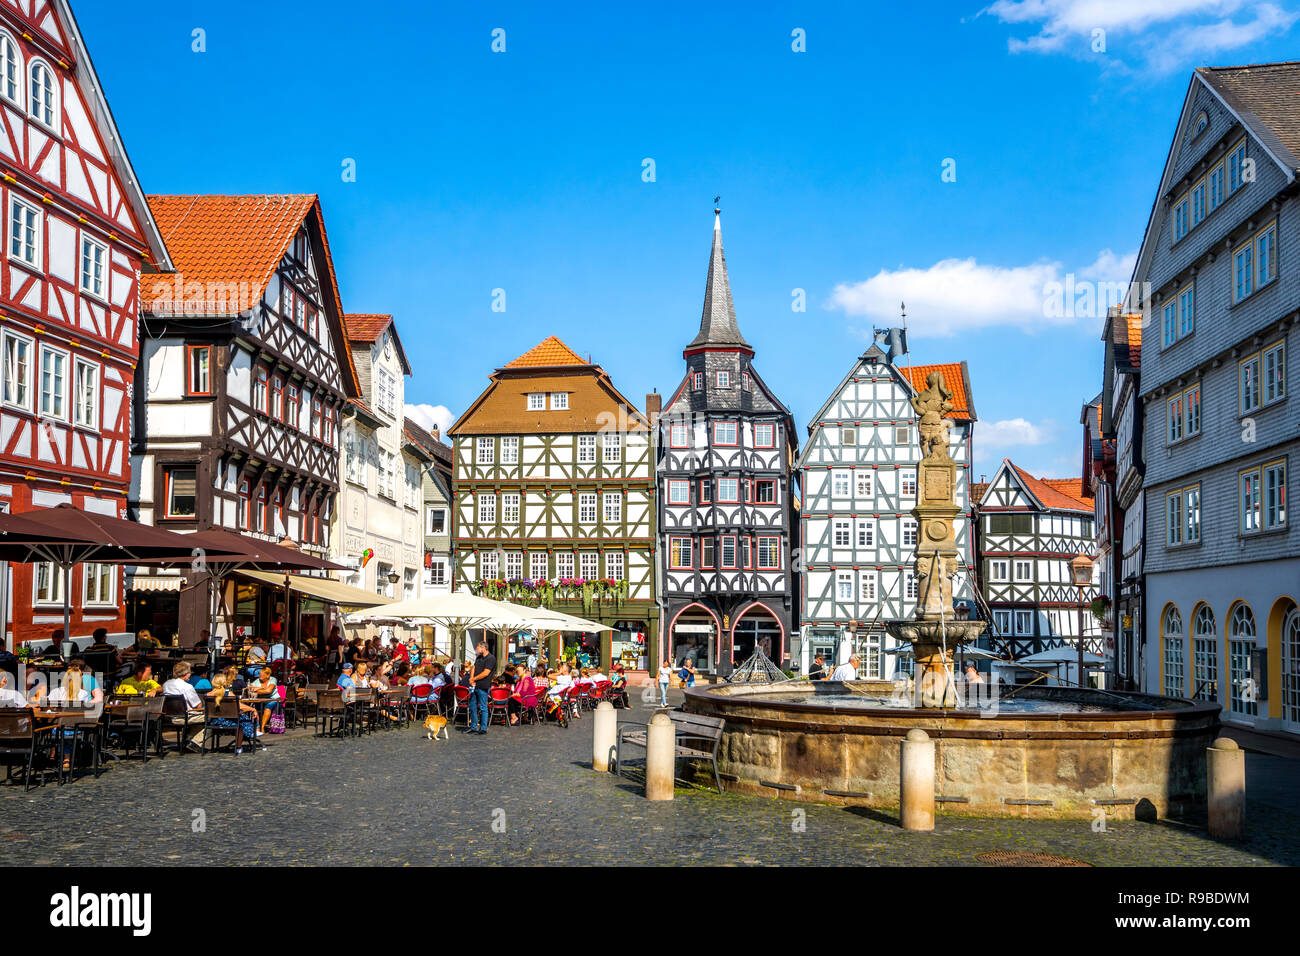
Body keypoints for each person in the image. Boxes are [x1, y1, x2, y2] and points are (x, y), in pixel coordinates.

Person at [162, 662, 207, 752]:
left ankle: (188, 740)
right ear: (187, 675)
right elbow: (198, 705)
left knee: (198, 719)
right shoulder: (187, 686)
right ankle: (196, 743)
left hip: (169, 717)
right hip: (185, 717)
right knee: (212, 718)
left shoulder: (166, 684)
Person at [207, 675, 259, 745]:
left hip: (214, 721)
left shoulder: (208, 694)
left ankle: (250, 732)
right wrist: (252, 709)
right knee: (243, 720)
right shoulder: (228, 693)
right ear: (224, 682)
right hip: (229, 721)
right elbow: (239, 706)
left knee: (240, 719)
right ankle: (240, 745)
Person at [466, 641, 495, 735]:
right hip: (475, 685)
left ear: (483, 648)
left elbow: (486, 672)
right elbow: (473, 667)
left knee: (483, 707)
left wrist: (474, 678)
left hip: (483, 685)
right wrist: (471, 678)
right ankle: (473, 727)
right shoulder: (479, 657)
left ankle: (483, 728)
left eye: (477, 648)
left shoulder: (491, 658)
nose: (476, 650)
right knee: (473, 706)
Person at [247, 666, 280, 732]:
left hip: (273, 699)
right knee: (253, 708)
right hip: (261, 700)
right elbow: (250, 688)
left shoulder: (272, 679)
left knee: (268, 707)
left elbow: (269, 691)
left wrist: (258, 689)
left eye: (262, 675)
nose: (260, 676)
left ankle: (262, 727)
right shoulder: (257, 680)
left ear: (268, 675)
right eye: (260, 674)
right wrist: (262, 689)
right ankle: (258, 726)